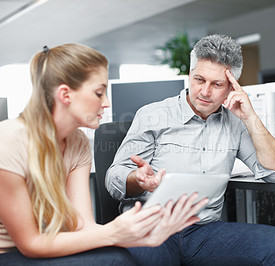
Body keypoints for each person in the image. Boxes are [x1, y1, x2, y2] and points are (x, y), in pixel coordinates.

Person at [0, 43, 208, 265]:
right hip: (12, 253)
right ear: (65, 95)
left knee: (121, 257)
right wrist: (113, 232)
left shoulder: (77, 141)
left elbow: (83, 226)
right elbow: (31, 244)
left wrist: (142, 234)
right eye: (99, 93)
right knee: (115, 261)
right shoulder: (10, 140)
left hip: (54, 244)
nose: (107, 103)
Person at [106, 34, 275, 265]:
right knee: (140, 256)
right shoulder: (152, 115)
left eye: (217, 84)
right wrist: (137, 179)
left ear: (231, 87)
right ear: (189, 74)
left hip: (203, 232)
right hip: (152, 226)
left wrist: (250, 117)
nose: (205, 92)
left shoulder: (235, 123)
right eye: (199, 79)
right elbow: (114, 177)